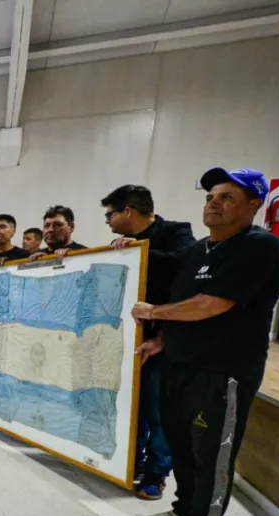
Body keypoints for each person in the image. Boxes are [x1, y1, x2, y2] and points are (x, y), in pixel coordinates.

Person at [132, 167, 279, 516]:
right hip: (179, 365)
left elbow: (212, 304)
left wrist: (155, 312)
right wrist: (161, 340)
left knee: (213, 453)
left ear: (254, 204)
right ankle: (183, 511)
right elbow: (188, 299)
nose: (213, 204)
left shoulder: (262, 247)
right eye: (209, 197)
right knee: (182, 446)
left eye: (227, 197)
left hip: (224, 371)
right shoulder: (198, 250)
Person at [103, 184, 196, 499]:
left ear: (127, 211)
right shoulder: (122, 244)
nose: (108, 222)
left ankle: (156, 474)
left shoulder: (177, 233)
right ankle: (133, 463)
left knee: (158, 411)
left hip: (163, 339)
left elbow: (185, 263)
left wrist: (139, 250)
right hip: (129, 338)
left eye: (109, 214)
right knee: (132, 406)